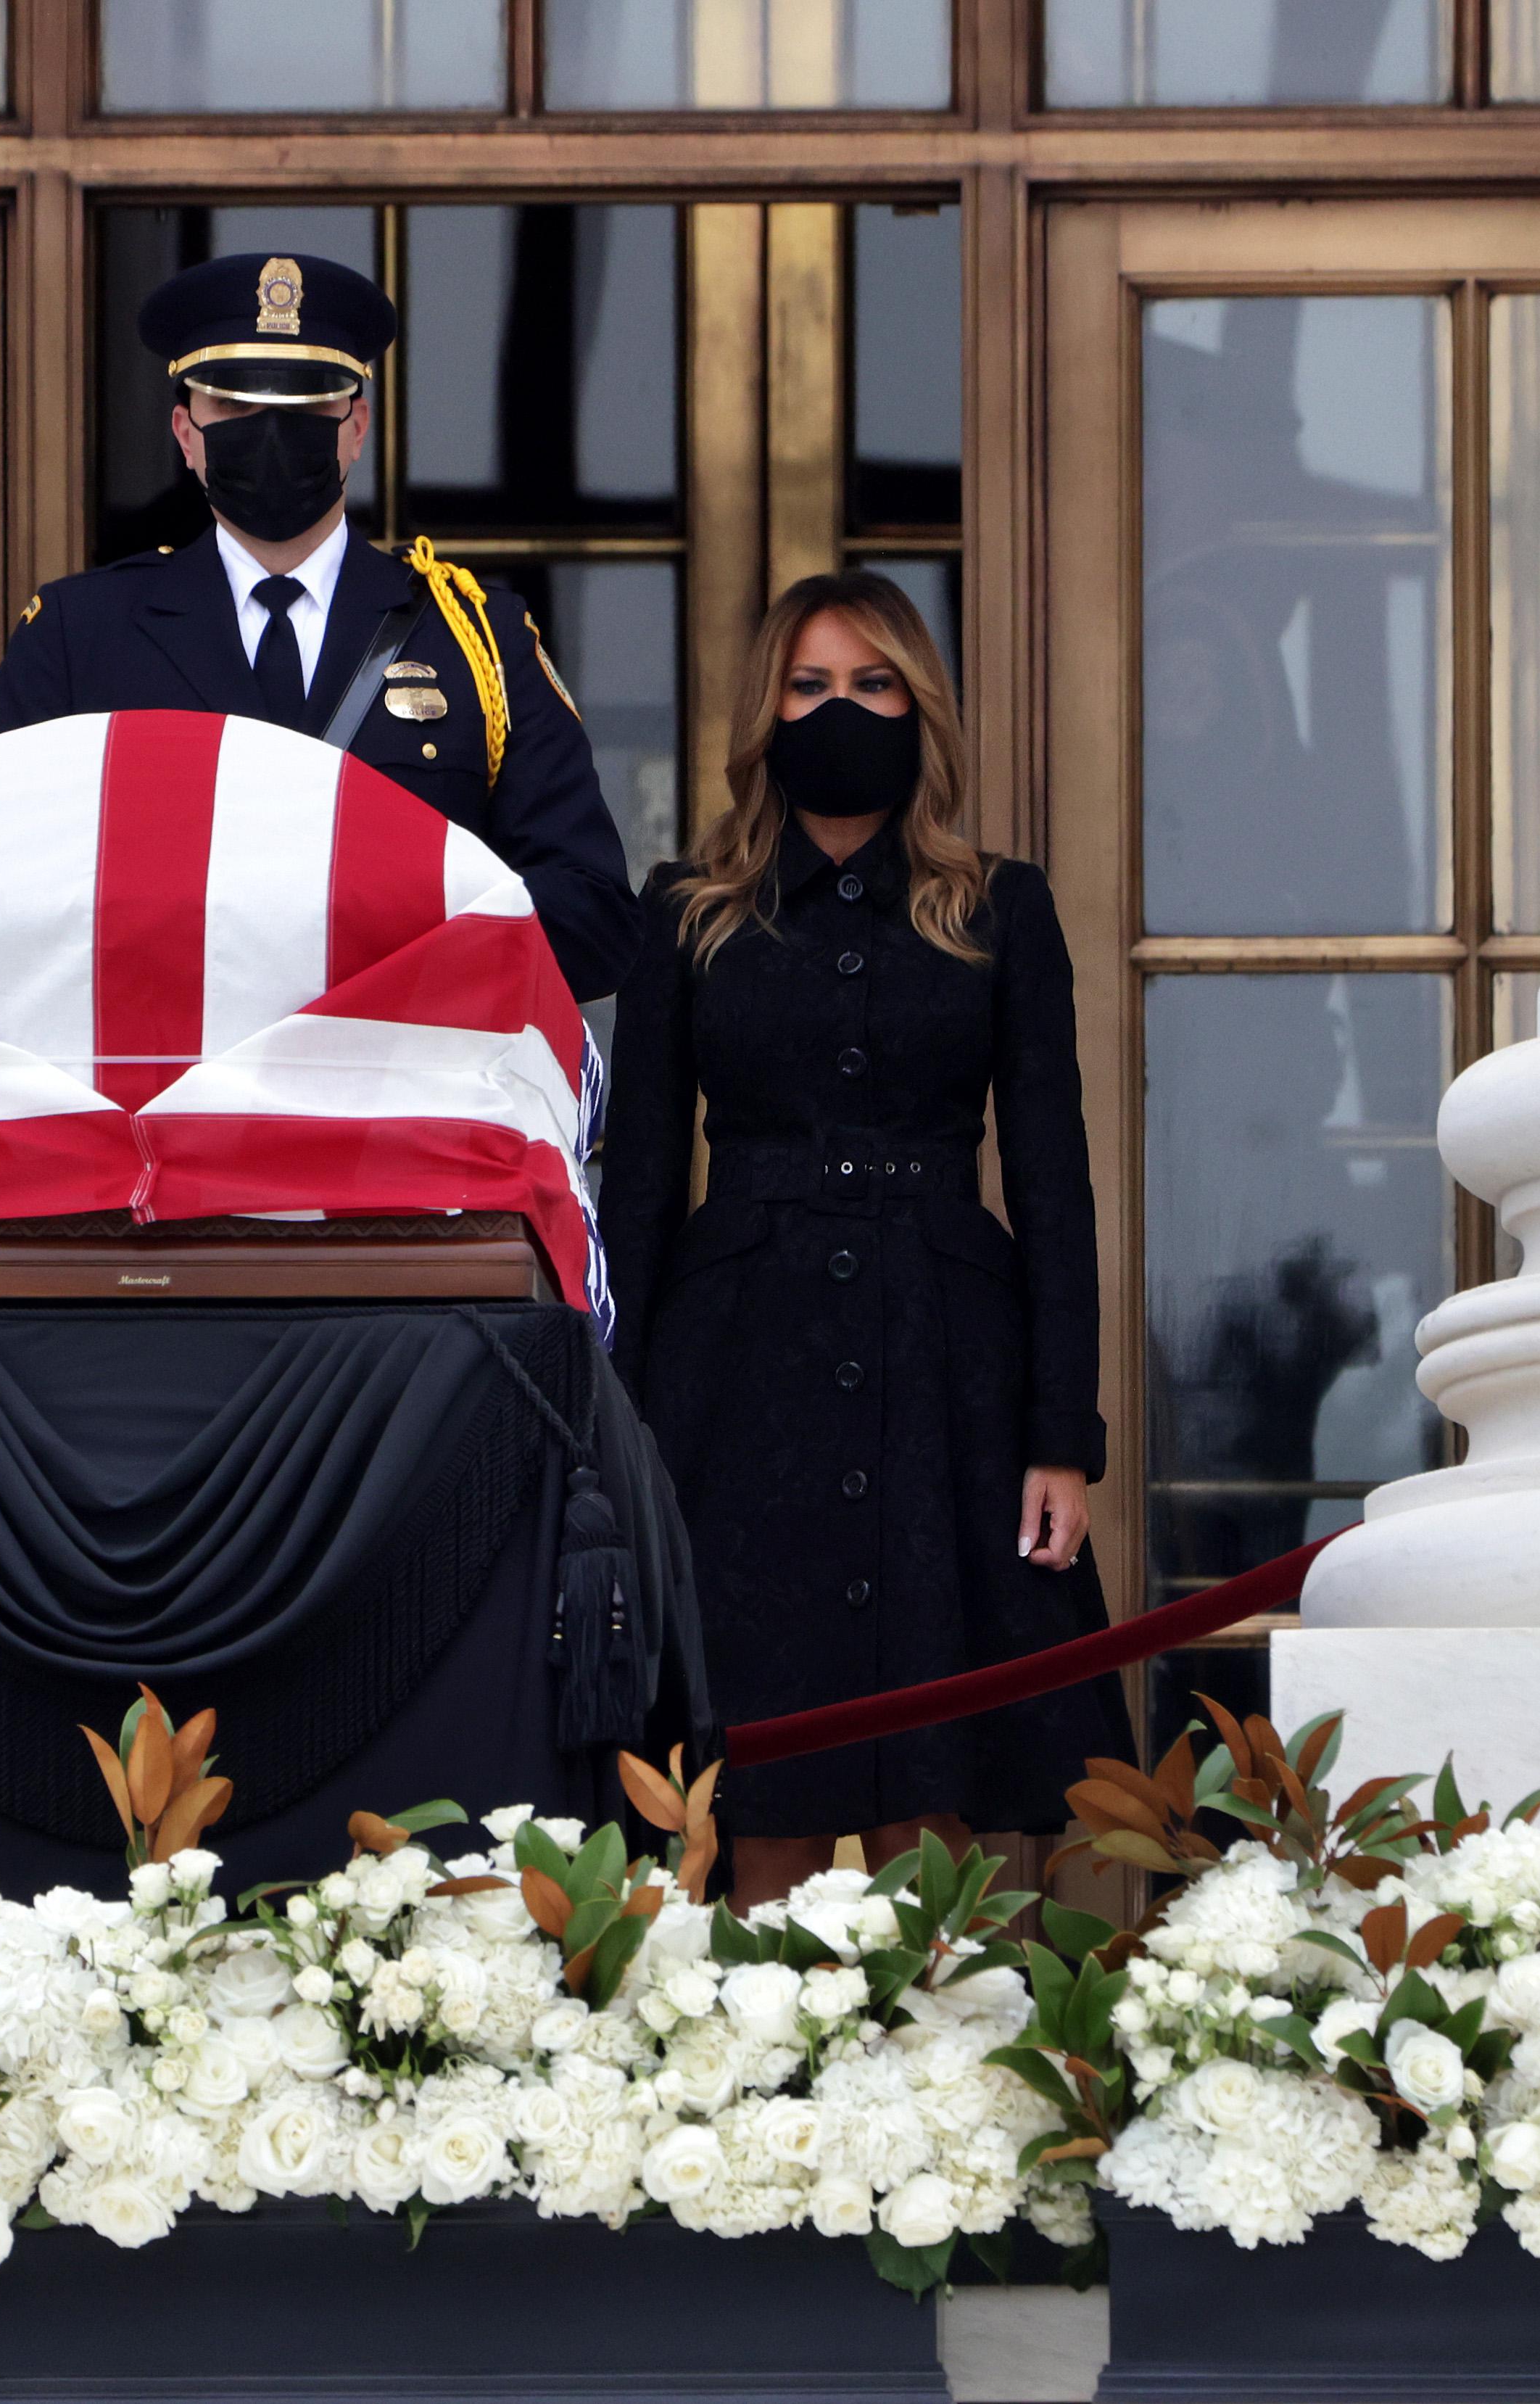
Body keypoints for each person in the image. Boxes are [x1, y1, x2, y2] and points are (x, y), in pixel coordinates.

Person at [602, 572, 1122, 1903]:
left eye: (875, 684)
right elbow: (643, 1184)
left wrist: (1061, 1433)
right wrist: (615, 1433)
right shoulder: (686, 911)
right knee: (755, 1781)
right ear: (764, 714)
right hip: (736, 1374)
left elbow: (1053, 1182)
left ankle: (934, 2080)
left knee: (934, 1784)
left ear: (922, 709)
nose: (844, 710)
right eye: (812, 687)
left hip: (948, 1365)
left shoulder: (998, 906)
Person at [0, 249, 639, 1003]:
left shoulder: (475, 640)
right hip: (162, 1095)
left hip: (395, 1095)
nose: (273, 433)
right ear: (185, 435)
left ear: (356, 426)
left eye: (305, 406)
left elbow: (594, 918)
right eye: (235, 407)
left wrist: (403, 931)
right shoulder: (78, 635)